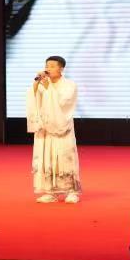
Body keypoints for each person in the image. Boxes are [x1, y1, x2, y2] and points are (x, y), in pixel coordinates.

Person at [26, 56, 81, 203]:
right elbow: (34, 98)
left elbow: (65, 104)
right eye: (47, 66)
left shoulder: (69, 85)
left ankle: (72, 191)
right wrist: (36, 85)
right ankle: (50, 191)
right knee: (47, 157)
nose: (48, 69)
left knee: (65, 157)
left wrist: (48, 88)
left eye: (52, 66)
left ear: (61, 68)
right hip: (45, 127)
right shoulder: (43, 83)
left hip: (62, 127)